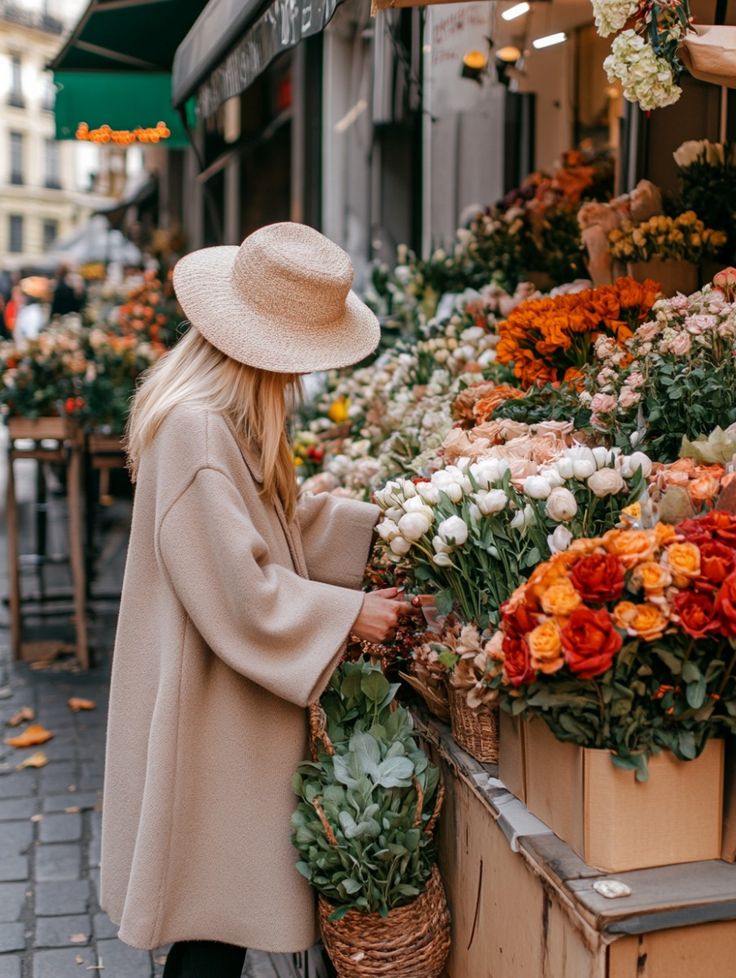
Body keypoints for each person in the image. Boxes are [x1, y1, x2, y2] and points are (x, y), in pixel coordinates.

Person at [100, 223, 413, 978]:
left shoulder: (207, 421)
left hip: (212, 702)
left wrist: (363, 523)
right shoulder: (200, 431)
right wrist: (350, 614)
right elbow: (243, 591)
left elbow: (252, 531)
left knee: (216, 920)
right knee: (211, 924)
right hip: (208, 709)